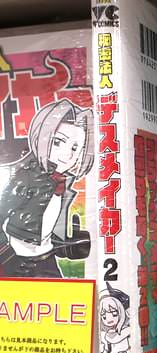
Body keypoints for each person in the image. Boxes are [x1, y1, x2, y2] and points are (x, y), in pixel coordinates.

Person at [0, 99, 93, 278]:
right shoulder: (25, 177)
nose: (67, 155)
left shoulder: (62, 185)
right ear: (41, 136)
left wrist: (68, 247)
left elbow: (44, 227)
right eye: (57, 142)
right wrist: (8, 258)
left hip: (47, 259)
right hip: (18, 262)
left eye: (76, 148)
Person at [99, 284, 131, 353]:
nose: (109, 319)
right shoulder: (108, 333)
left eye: (114, 314)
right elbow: (113, 339)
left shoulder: (124, 328)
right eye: (104, 317)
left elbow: (117, 337)